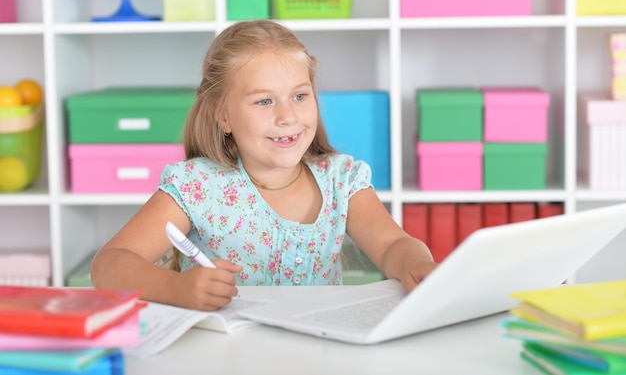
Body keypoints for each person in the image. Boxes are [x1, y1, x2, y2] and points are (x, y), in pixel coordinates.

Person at [91, 19, 437, 312]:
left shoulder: (340, 179)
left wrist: (414, 262)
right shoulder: (198, 186)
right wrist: (175, 288)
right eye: (264, 101)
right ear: (222, 114)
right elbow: (108, 265)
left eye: (299, 96)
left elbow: (392, 244)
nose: (287, 116)